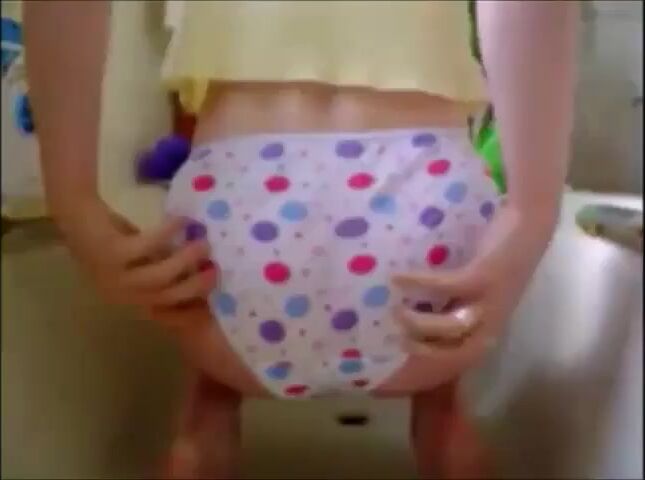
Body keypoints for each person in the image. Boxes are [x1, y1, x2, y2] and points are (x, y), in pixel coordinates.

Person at [24, 1, 578, 478]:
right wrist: (531, 211)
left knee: (213, 380)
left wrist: (72, 199)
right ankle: (440, 416)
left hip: (238, 223)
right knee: (441, 380)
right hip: (425, 216)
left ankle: (207, 420)